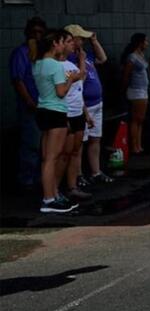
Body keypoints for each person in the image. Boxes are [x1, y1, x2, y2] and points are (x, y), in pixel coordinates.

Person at [34, 30, 84, 213]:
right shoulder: (55, 66)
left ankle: (51, 195)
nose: (64, 46)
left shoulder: (38, 64)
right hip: (56, 111)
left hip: (43, 109)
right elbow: (61, 92)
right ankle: (49, 199)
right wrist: (70, 80)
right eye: (63, 42)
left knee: (47, 157)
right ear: (55, 43)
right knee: (52, 158)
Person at [67, 24, 112, 188]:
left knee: (95, 139)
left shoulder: (85, 55)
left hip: (97, 102)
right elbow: (78, 82)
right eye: (81, 38)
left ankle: (96, 172)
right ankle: (78, 175)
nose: (83, 41)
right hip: (83, 104)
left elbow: (103, 58)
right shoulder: (69, 58)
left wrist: (94, 41)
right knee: (79, 143)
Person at [10, 16, 47, 193]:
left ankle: (39, 178)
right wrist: (29, 102)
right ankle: (26, 180)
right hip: (31, 106)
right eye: (34, 32)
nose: (37, 36)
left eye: (41, 32)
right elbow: (18, 80)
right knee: (31, 143)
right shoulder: (21, 53)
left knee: (43, 145)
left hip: (45, 105)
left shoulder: (42, 54)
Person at [60, 35, 91, 203]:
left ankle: (73, 187)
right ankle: (56, 190)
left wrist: (82, 60)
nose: (73, 44)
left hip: (77, 111)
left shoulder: (71, 64)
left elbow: (81, 80)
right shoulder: (57, 66)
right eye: (69, 41)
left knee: (75, 152)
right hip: (66, 113)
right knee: (63, 154)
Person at [121, 33, 150, 155]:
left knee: (140, 119)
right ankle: (134, 146)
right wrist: (125, 87)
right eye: (145, 41)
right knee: (136, 119)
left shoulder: (141, 55)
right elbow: (126, 75)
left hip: (143, 90)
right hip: (136, 91)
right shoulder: (132, 57)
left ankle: (139, 144)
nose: (147, 43)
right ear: (140, 43)